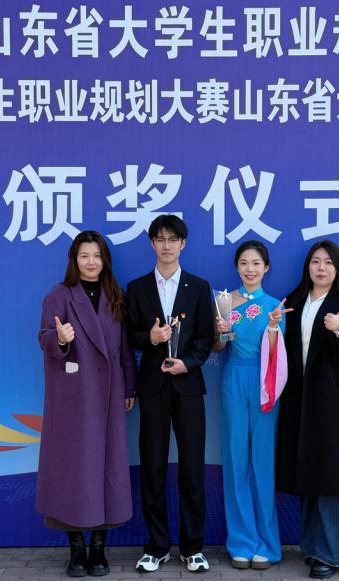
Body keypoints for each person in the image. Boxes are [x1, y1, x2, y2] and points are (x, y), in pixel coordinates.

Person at [36, 231, 137, 578]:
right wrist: (59, 339)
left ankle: (99, 547)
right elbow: (44, 337)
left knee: (107, 466)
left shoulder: (116, 296)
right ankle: (76, 547)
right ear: (74, 260)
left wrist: (129, 386)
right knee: (74, 469)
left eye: (97, 255)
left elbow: (124, 348)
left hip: (109, 392)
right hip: (73, 396)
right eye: (84, 256)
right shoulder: (59, 295)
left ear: (105, 260)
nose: (91, 262)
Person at [275, 240, 339, 580]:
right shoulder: (294, 301)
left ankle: (336, 554)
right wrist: (273, 326)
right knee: (309, 474)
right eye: (315, 261)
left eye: (328, 262)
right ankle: (314, 548)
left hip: (334, 404)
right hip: (300, 403)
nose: (321, 268)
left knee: (334, 476)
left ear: (338, 268)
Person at [125, 215, 214, 573]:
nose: (166, 245)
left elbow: (206, 337)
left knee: (192, 469)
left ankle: (192, 547)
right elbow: (129, 336)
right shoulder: (137, 288)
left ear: (183, 244)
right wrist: (150, 338)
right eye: (160, 239)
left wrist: (187, 364)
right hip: (152, 387)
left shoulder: (199, 286)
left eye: (173, 239)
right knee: (153, 468)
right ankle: (157, 546)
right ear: (152, 243)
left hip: (188, 386)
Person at [212, 240, 291, 570]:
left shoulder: (275, 306)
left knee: (262, 460)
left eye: (256, 263)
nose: (250, 269)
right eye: (244, 263)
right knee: (236, 460)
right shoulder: (224, 301)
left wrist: (273, 326)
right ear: (236, 267)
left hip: (264, 382)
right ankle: (241, 542)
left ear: (266, 268)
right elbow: (219, 347)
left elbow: (276, 355)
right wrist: (221, 331)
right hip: (233, 378)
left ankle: (267, 545)